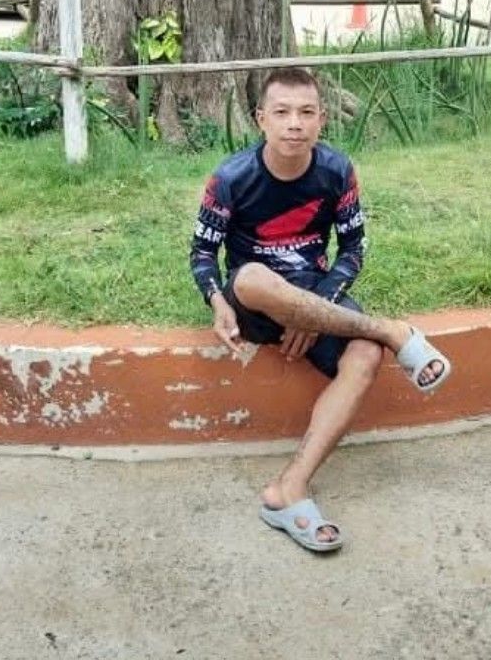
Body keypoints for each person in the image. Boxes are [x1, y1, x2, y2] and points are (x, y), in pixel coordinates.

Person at [190, 68, 451, 553]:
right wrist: (216, 301)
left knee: (365, 355)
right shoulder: (230, 178)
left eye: (306, 112)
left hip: (317, 291)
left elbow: (353, 248)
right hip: (256, 302)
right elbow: (203, 254)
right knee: (250, 277)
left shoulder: (336, 170)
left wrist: (317, 310)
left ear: (322, 119)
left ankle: (289, 489)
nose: (295, 123)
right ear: (261, 119)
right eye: (282, 112)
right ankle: (391, 331)